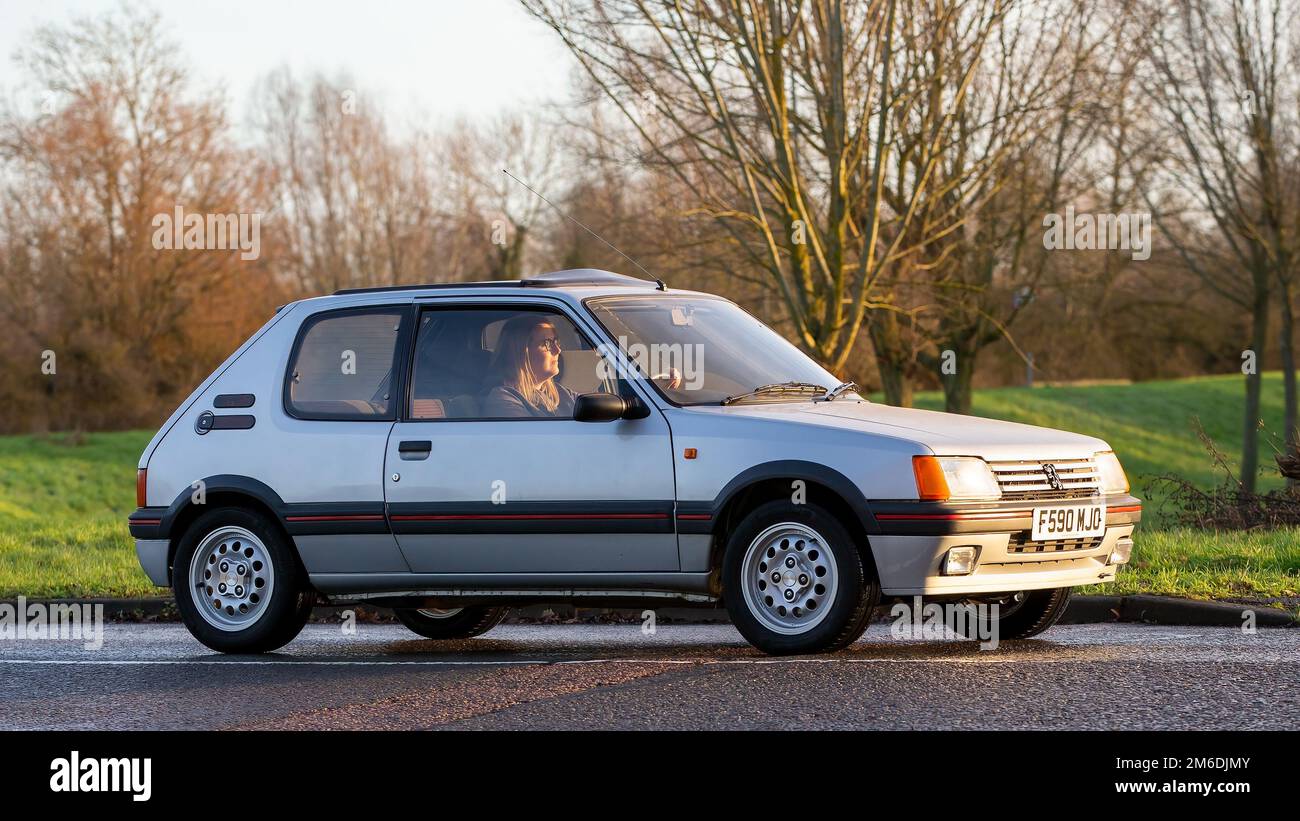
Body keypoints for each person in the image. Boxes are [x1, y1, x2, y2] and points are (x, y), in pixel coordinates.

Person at [481, 314, 580, 418]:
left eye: (556, 342)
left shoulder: (560, 393)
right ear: (522, 351)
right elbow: (536, 434)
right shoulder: (503, 399)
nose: (558, 350)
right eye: (548, 343)